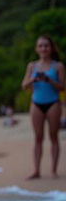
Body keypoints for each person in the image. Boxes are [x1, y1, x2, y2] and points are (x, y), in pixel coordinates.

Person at [21, 35, 65, 179]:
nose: (43, 48)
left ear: (51, 48)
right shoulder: (32, 66)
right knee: (38, 137)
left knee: (54, 136)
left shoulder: (58, 66)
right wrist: (33, 79)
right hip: (36, 104)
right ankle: (36, 170)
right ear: (36, 48)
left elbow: (62, 87)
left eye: (46, 45)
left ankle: (53, 170)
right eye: (40, 46)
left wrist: (49, 80)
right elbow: (24, 86)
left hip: (53, 103)